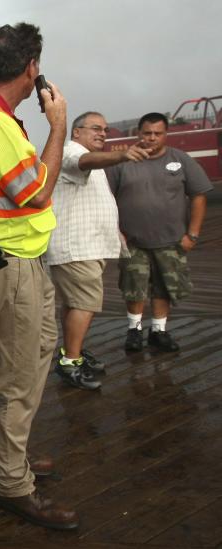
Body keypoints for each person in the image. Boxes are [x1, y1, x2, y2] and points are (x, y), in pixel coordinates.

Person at [0, 23, 77, 530]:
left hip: (18, 260)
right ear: (30, 69)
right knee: (20, 372)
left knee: (32, 349)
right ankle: (9, 480)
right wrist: (59, 125)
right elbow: (36, 192)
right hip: (8, 264)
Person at [46, 112, 150, 390]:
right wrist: (122, 155)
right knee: (84, 303)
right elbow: (83, 162)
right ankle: (70, 362)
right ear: (76, 132)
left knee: (74, 302)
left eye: (105, 129)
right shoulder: (71, 152)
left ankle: (72, 353)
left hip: (86, 246)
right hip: (76, 246)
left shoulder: (90, 157)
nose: (102, 133)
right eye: (95, 128)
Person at [108, 112, 212, 353]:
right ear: (138, 133)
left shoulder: (181, 159)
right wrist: (115, 232)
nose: (152, 138)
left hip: (172, 241)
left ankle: (159, 331)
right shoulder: (122, 162)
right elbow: (106, 199)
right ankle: (134, 330)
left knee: (164, 287)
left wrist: (193, 234)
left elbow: (199, 195)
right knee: (134, 287)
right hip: (133, 241)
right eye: (147, 133)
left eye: (157, 133)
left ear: (166, 134)